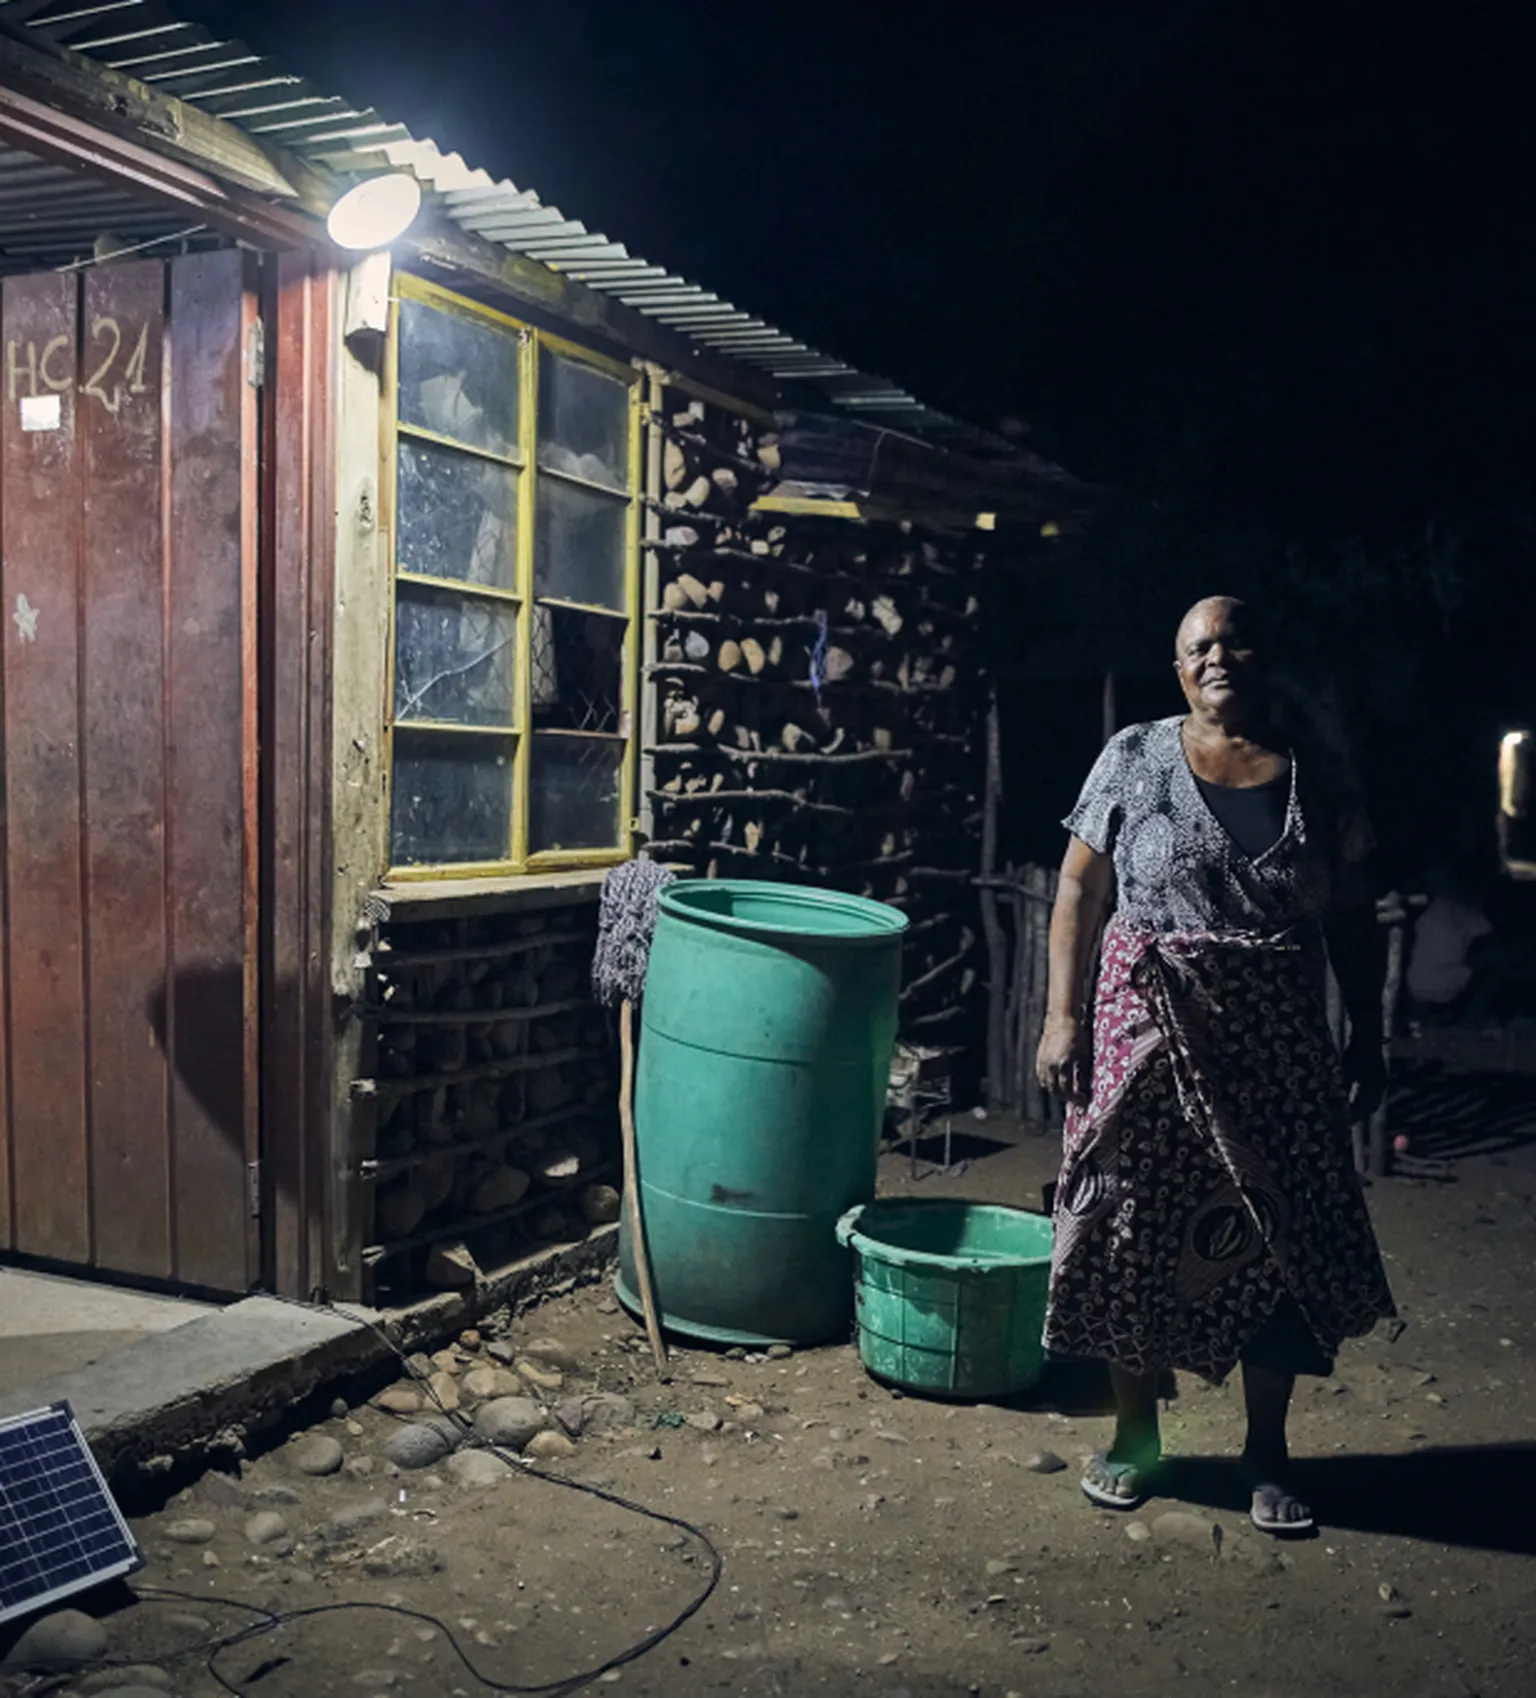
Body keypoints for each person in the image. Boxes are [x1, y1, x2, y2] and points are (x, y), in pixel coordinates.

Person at [1035, 596, 1395, 1535]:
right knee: (1128, 1222)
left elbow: (1353, 915)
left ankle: (1266, 1451)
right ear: (1178, 669)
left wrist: (1367, 1033)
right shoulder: (1132, 754)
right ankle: (1134, 1434)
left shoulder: (1317, 775)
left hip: (1273, 1043)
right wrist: (1061, 1014)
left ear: (1264, 657)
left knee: (1275, 1231)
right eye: (1200, 647)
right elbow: (1080, 882)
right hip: (1142, 1030)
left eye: (1235, 641)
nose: (1218, 656)